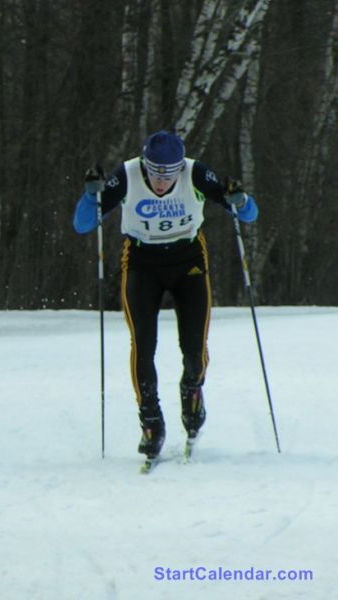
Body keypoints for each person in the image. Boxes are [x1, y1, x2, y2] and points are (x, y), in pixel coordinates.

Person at [72, 130, 258, 461]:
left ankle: (192, 390)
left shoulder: (196, 172)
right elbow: (83, 224)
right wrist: (91, 196)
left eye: (169, 173)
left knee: (194, 346)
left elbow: (249, 215)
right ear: (145, 164)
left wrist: (239, 199)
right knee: (142, 344)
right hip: (142, 263)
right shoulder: (128, 175)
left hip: (188, 260)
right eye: (156, 172)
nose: (162, 181)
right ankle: (151, 421)